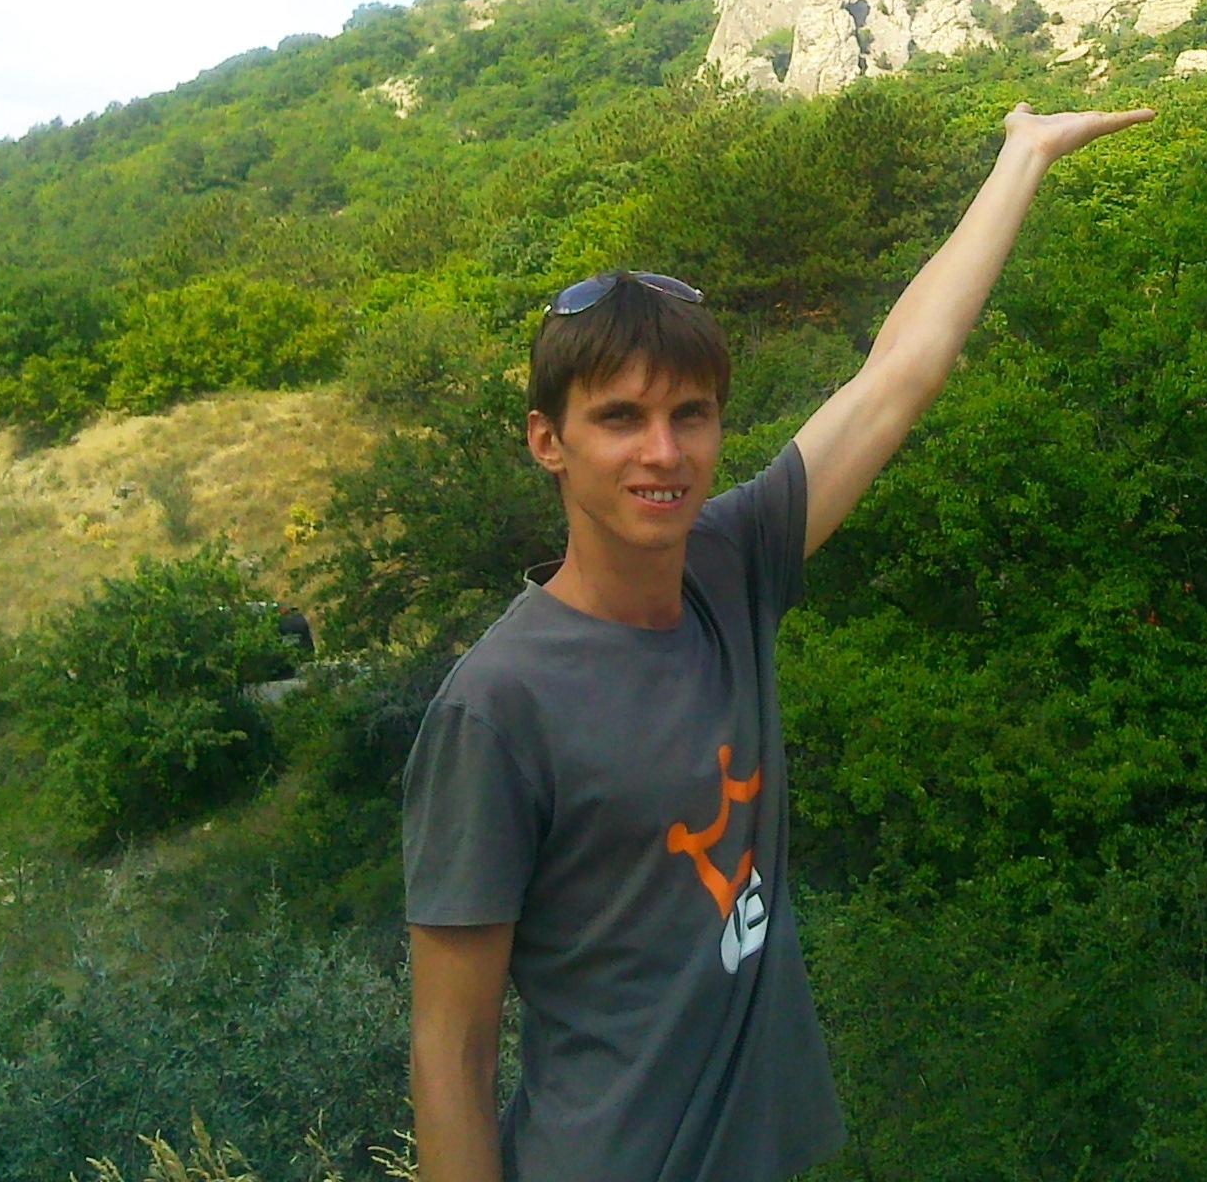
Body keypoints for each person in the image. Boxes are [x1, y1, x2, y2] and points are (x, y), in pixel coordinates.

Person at [402, 99, 1155, 1182]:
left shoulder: (732, 562)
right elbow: (453, 1046)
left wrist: (1022, 157)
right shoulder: (497, 705)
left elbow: (900, 376)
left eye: (691, 414)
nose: (664, 452)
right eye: (619, 418)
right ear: (547, 441)